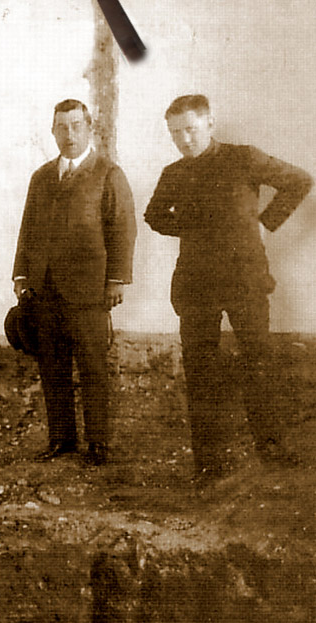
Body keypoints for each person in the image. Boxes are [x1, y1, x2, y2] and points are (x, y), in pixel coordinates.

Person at [144, 94, 313, 483]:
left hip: (245, 281)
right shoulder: (173, 174)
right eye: (175, 133)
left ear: (209, 123)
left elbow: (299, 181)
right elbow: (153, 215)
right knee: (201, 371)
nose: (184, 140)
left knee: (258, 364)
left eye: (190, 129)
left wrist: (265, 222)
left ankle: (271, 448)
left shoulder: (244, 158)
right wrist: (191, 227)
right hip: (196, 284)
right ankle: (209, 460)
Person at [12, 99, 136, 466]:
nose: (68, 134)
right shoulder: (41, 177)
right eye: (61, 127)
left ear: (89, 128)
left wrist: (116, 280)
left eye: (76, 125)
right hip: (45, 291)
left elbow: (123, 230)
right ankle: (62, 439)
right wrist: (21, 275)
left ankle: (98, 443)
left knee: (93, 369)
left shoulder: (108, 174)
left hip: (89, 293)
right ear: (52, 132)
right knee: (53, 368)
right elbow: (27, 230)